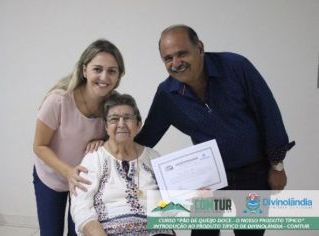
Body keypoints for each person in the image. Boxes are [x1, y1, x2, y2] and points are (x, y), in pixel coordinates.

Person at [135, 24, 295, 236]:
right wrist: (107, 150)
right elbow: (147, 138)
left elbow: (269, 113)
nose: (176, 63)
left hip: (253, 173)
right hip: (208, 182)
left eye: (182, 53)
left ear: (199, 48)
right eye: (168, 58)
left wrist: (277, 166)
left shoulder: (236, 66)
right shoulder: (167, 94)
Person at [32, 39, 125, 236]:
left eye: (112, 71)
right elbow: (39, 146)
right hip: (51, 176)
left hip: (85, 180)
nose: (104, 77)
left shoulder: (114, 105)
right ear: (85, 70)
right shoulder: (59, 100)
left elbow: (122, 138)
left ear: (119, 76)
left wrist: (104, 142)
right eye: (97, 69)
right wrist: (68, 172)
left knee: (80, 232)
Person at [70, 93, 174, 236]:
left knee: (209, 209)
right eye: (114, 119)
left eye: (127, 118)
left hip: (156, 232)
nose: (121, 124)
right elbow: (81, 208)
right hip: (108, 232)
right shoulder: (94, 158)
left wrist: (193, 196)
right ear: (106, 126)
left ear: (138, 124)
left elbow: (173, 205)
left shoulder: (153, 157)